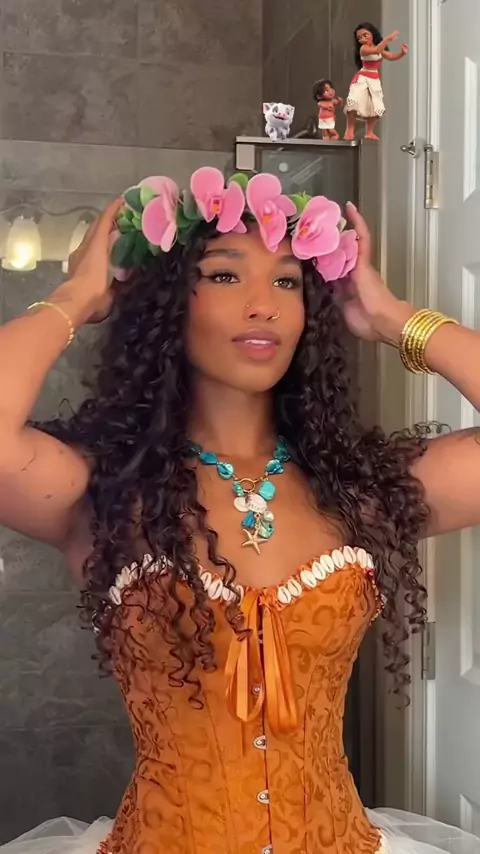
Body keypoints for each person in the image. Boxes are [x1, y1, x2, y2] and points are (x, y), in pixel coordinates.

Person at [0, 167, 480, 854]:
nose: (264, 305)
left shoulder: (362, 489)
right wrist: (76, 296)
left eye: (287, 281)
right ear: (168, 303)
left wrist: (394, 317)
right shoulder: (100, 490)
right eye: (225, 275)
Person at [344, 22, 408, 140]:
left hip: (374, 79)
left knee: (375, 106)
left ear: (372, 34)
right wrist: (388, 39)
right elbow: (377, 50)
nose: (363, 39)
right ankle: (350, 129)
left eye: (365, 35)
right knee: (354, 103)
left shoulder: (378, 48)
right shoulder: (364, 48)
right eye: (359, 38)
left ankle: (369, 131)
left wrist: (402, 53)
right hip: (362, 78)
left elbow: (390, 56)